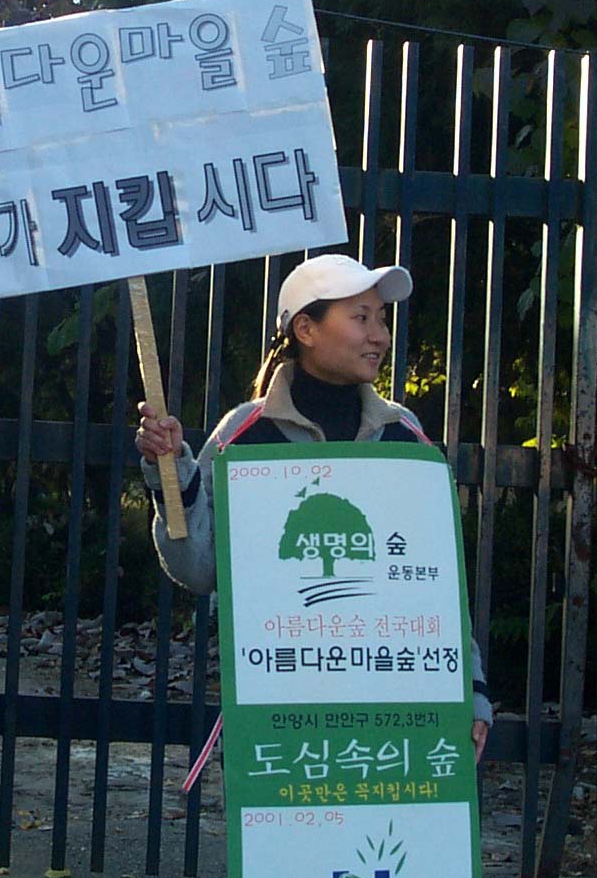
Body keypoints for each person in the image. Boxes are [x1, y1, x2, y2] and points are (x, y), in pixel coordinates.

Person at [135, 253, 492, 760]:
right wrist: (171, 473)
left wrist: (471, 690)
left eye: (382, 319)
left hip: (395, 702)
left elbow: (434, 581)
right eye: (362, 317)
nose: (380, 336)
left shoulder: (406, 436)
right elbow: (199, 568)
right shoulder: (245, 435)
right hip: (281, 708)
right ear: (305, 328)